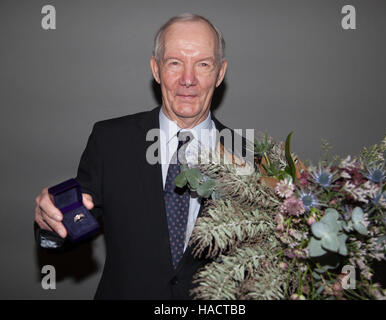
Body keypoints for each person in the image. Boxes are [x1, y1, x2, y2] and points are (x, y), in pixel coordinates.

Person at [34, 13, 246, 299]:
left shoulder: (247, 157)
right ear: (156, 69)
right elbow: (70, 226)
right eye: (174, 63)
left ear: (220, 73)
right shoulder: (110, 141)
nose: (188, 79)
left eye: (203, 64)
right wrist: (51, 221)